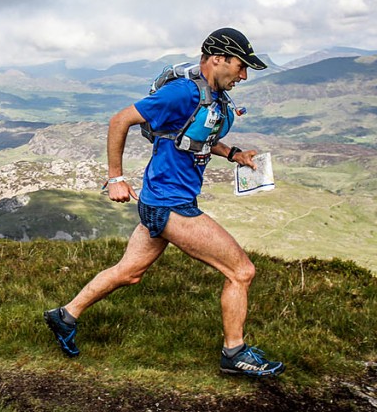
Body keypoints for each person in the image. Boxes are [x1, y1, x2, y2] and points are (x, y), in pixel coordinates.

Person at [43, 27, 284, 377]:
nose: (244, 75)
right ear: (217, 59)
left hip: (162, 200)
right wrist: (115, 178)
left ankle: (65, 316)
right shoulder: (181, 93)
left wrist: (232, 153)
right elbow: (120, 119)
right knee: (241, 271)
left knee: (129, 273)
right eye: (241, 66)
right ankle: (234, 353)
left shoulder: (212, 95)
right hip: (169, 204)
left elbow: (196, 136)